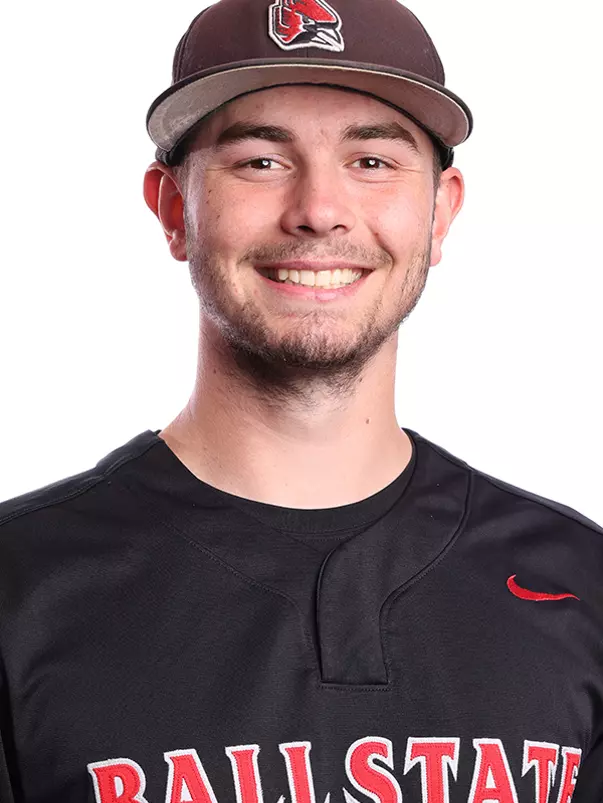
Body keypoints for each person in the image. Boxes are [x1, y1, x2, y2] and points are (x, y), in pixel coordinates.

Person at [0, 0, 602, 800]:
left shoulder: (576, 581)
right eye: (259, 161)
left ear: (440, 211)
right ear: (175, 209)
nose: (319, 210)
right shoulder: (21, 588)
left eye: (372, 162)